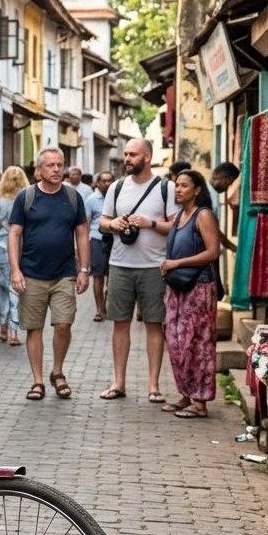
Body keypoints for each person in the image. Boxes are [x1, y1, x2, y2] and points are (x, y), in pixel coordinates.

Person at [99, 138, 179, 402]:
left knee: (154, 325)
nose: (127, 159)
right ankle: (118, 383)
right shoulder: (117, 187)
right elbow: (102, 221)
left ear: (147, 156)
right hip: (120, 265)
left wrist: (150, 223)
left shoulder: (165, 188)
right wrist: (114, 225)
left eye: (133, 154)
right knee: (119, 324)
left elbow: (175, 226)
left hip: (154, 267)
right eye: (125, 154)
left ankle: (154, 386)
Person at [9, 147, 90, 401]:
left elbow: (82, 234)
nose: (57, 169)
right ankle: (38, 381)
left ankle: (57, 371)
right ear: (39, 170)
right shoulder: (26, 197)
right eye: (51, 165)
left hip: (64, 273)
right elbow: (14, 234)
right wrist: (15, 270)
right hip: (32, 274)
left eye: (60, 165)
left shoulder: (73, 197)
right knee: (34, 328)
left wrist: (84, 269)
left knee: (63, 323)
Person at [161, 170, 220, 418]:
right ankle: (185, 394)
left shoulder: (203, 215)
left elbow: (213, 252)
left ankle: (200, 402)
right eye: (176, 186)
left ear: (197, 190)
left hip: (199, 287)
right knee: (176, 342)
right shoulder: (178, 217)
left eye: (184, 186)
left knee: (198, 342)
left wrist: (178, 263)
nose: (178, 190)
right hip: (176, 287)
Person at [0, 166, 29, 346]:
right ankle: (14, 331)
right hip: (21, 247)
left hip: (0, 248)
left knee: (2, 289)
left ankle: (3, 326)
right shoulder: (26, 199)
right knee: (16, 289)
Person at [86, 171, 115, 321]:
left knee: (113, 276)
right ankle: (99, 309)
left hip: (115, 241)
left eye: (110, 181)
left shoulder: (118, 198)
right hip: (97, 241)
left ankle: (107, 303)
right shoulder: (91, 200)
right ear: (98, 183)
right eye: (103, 181)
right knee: (98, 276)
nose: (107, 184)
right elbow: (86, 224)